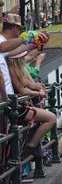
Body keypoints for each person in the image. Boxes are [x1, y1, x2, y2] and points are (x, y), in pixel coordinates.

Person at [0, 14, 54, 160]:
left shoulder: (5, 44)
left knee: (8, 138)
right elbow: (8, 50)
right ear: (16, 28)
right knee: (50, 118)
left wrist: (36, 43)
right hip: (7, 101)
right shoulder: (1, 41)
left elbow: (16, 52)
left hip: (10, 101)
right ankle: (31, 148)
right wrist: (27, 38)